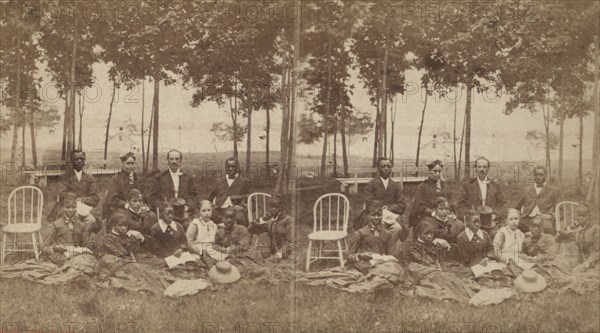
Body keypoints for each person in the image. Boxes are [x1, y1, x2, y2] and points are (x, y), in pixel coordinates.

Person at [47, 150, 99, 225]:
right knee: (74, 220)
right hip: (68, 208)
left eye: (82, 159)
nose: (79, 161)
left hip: (84, 209)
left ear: (84, 161)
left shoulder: (90, 178)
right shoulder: (65, 177)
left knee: (92, 221)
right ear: (71, 161)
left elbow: (95, 197)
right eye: (76, 159)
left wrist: (83, 199)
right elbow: (62, 194)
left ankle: (83, 235)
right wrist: (74, 200)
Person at [355, 157, 407, 230]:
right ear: (378, 169)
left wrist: (389, 207)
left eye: (388, 166)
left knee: (398, 228)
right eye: (383, 166)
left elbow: (402, 205)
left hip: (391, 215)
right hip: (374, 216)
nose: (386, 169)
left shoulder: (396, 186)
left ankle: (390, 241)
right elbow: (369, 203)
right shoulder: (371, 185)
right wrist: (381, 208)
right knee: (380, 228)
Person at [149, 149, 199, 221]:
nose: (174, 161)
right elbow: (153, 198)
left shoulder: (188, 178)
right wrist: (163, 208)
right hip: (165, 214)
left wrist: (188, 207)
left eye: (177, 159)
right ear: (168, 161)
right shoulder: (159, 178)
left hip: (184, 214)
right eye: (171, 159)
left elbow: (195, 196)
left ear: (180, 160)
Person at [347, 200, 398, 267]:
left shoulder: (387, 233)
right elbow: (349, 256)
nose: (376, 218)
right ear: (368, 215)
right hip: (366, 265)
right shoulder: (360, 233)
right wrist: (360, 256)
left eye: (379, 215)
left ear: (382, 215)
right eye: (373, 215)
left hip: (384, 266)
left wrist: (387, 258)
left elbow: (392, 255)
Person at [455, 156, 507, 222]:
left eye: (484, 167)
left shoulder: (496, 186)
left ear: (488, 169)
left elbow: (502, 204)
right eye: (479, 167)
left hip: (491, 222)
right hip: (472, 222)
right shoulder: (467, 186)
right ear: (475, 169)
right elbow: (460, 205)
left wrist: (495, 215)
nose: (482, 170)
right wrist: (470, 216)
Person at [516, 166, 560, 234]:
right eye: (536, 175)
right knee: (513, 225)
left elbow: (561, 211)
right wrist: (518, 215)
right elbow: (517, 207)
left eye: (541, 175)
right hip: (527, 220)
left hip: (544, 220)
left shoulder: (554, 190)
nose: (538, 177)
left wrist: (551, 216)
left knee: (547, 229)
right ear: (534, 176)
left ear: (546, 175)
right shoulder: (526, 190)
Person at [102, 152, 147, 219]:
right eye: (128, 163)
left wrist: (142, 204)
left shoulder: (138, 179)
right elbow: (113, 198)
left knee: (149, 217)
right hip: (121, 207)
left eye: (132, 163)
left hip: (137, 206)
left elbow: (144, 194)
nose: (130, 166)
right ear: (122, 164)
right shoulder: (116, 179)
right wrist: (126, 205)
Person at [247, 193, 293, 259]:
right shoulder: (270, 221)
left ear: (281, 207)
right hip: (272, 253)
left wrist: (280, 254)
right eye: (271, 207)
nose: (273, 209)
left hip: (287, 252)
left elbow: (291, 241)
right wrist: (263, 219)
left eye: (276, 206)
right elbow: (251, 229)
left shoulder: (288, 220)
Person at [208, 158, 250, 226]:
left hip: (236, 211)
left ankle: (240, 234)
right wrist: (209, 206)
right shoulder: (218, 181)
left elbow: (253, 202)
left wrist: (243, 207)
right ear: (225, 168)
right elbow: (209, 199)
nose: (230, 169)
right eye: (228, 166)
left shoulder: (244, 182)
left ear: (238, 168)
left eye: (233, 166)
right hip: (219, 211)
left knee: (240, 219)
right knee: (206, 216)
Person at [409, 159, 451, 227]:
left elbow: (449, 201)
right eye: (435, 171)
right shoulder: (423, 186)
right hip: (428, 216)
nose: (437, 174)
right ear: (429, 172)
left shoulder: (445, 186)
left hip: (444, 214)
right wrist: (432, 213)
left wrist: (441, 191)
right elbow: (419, 205)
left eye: (439, 171)